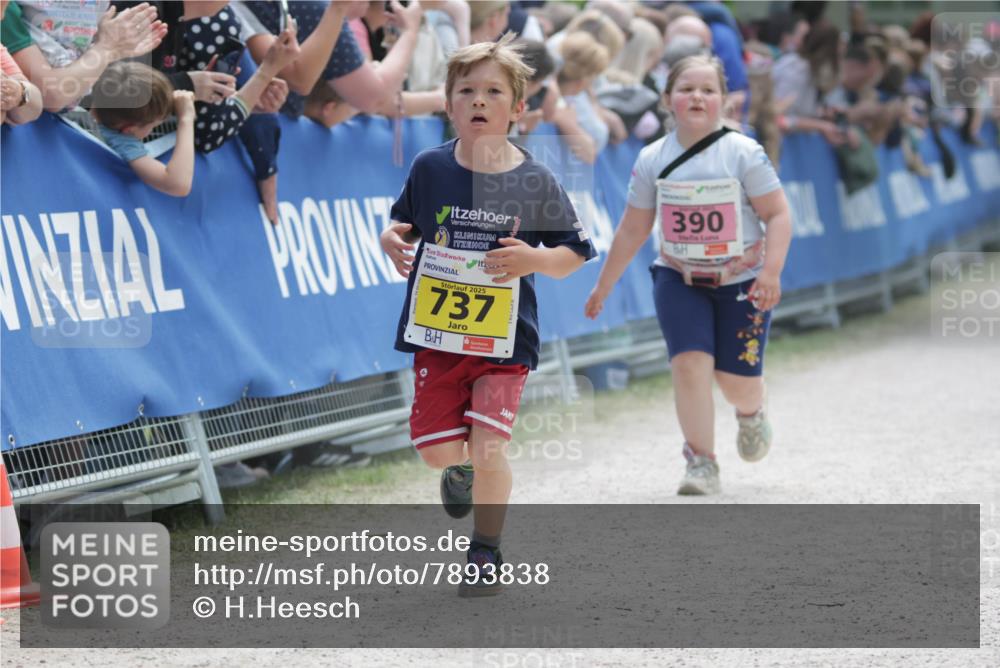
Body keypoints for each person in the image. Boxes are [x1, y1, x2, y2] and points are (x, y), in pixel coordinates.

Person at [379, 33, 595, 595]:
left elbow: (574, 253)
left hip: (503, 344)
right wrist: (389, 238)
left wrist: (533, 259)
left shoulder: (535, 179)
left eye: (493, 92)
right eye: (467, 90)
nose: (479, 101)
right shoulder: (429, 168)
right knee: (438, 454)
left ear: (518, 109)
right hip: (439, 334)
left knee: (490, 445)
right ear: (448, 103)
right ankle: (459, 471)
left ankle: (486, 549)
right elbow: (405, 224)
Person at [584, 55, 792, 496]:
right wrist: (604, 284)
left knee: (736, 385)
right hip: (678, 278)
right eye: (686, 89)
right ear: (667, 100)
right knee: (689, 365)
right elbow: (634, 227)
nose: (697, 97)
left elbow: (777, 214)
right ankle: (701, 461)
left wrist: (771, 271)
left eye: (708, 90)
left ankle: (751, 411)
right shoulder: (652, 157)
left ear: (724, 101)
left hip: (743, 282)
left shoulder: (743, 153)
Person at [89, 61, 196, 197]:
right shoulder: (120, 140)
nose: (151, 130)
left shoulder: (78, 108)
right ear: (129, 129)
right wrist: (186, 118)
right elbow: (177, 185)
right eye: (153, 126)